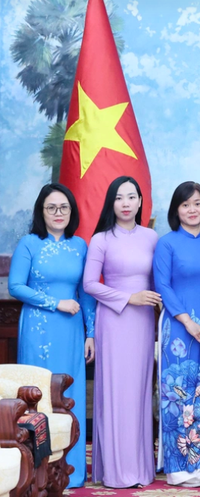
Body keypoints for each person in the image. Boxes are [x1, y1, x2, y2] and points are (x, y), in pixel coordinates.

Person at [9, 184, 95, 488]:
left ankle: (70, 471)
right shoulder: (29, 244)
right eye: (51, 207)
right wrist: (55, 303)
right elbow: (16, 286)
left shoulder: (80, 246)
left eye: (64, 207)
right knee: (39, 397)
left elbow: (85, 293)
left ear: (72, 212)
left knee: (69, 395)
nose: (58, 213)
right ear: (41, 212)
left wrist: (91, 333)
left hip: (71, 331)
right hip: (38, 328)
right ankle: (37, 473)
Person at [83, 176, 160, 488]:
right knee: (116, 392)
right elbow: (90, 284)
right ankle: (116, 471)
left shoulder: (152, 237)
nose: (125, 203)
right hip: (114, 321)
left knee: (139, 392)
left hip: (143, 322)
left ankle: (140, 469)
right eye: (119, 197)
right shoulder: (101, 239)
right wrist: (129, 298)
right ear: (111, 203)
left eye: (131, 197)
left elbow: (157, 281)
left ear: (140, 201)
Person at [153, 182, 200, 487]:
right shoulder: (167, 243)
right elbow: (163, 286)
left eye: (197, 203)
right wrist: (188, 322)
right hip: (178, 328)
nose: (192, 210)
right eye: (185, 205)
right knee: (178, 394)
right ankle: (178, 467)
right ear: (176, 210)